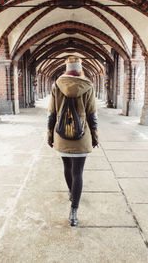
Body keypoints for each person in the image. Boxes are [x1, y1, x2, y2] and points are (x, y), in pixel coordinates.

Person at [47, 56, 98, 227]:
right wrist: (95, 137)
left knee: (67, 168)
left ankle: (71, 192)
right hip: (81, 136)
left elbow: (52, 114)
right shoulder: (88, 86)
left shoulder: (56, 85)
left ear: (66, 69)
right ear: (80, 68)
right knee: (78, 173)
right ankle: (74, 211)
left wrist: (49, 135)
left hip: (61, 135)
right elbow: (92, 114)